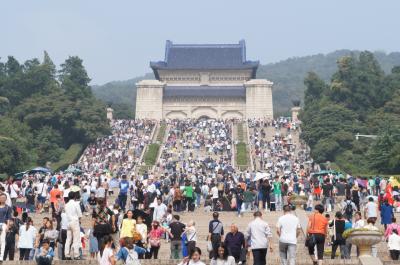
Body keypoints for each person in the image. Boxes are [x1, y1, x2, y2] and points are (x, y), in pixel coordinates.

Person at [64, 191, 82, 260]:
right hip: (75, 221)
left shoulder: (66, 204)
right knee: (76, 239)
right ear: (74, 197)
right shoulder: (76, 204)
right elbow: (80, 214)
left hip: (68, 222)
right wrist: (79, 219)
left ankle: (67, 254)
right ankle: (76, 255)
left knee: (68, 239)